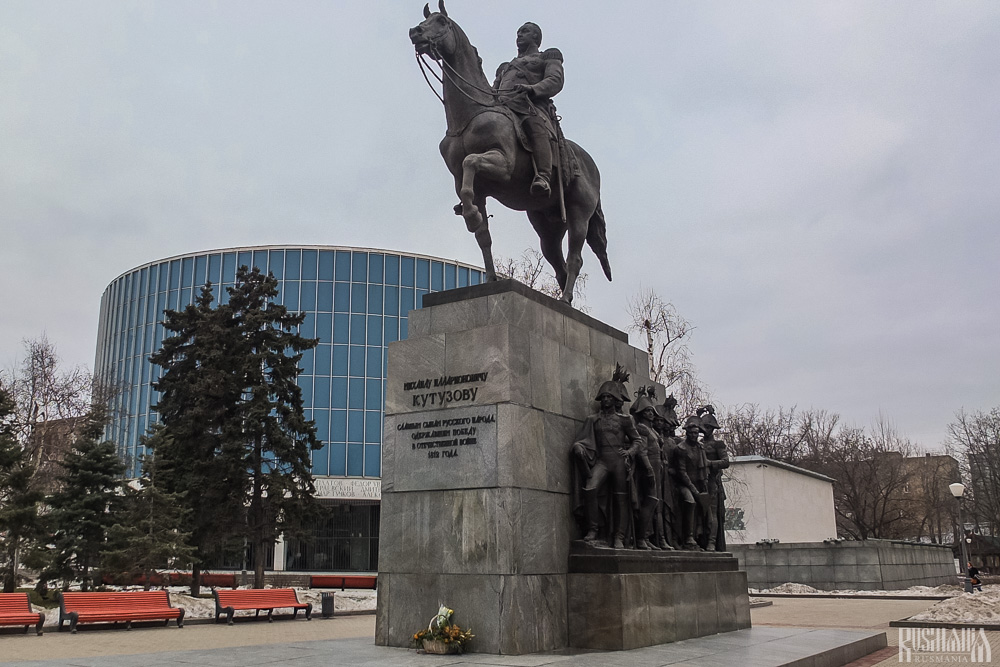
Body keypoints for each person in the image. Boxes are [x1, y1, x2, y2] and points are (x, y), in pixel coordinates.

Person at [493, 22, 563, 198]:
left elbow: (555, 80)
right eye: (518, 32)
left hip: (530, 105)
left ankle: (544, 176)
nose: (519, 35)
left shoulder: (546, 56)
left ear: (536, 37)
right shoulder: (505, 67)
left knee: (534, 126)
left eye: (525, 31)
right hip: (503, 106)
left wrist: (533, 89)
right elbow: (494, 90)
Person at [571, 378, 643, 549]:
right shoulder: (593, 419)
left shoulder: (625, 420)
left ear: (615, 399)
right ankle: (593, 529)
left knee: (621, 499)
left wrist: (629, 452)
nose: (605, 400)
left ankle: (619, 535)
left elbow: (637, 441)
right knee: (590, 489)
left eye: (609, 397)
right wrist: (577, 447)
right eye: (603, 397)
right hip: (602, 460)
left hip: (619, 461)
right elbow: (583, 439)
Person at [699, 405, 729, 552]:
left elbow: (725, 462)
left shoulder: (718, 444)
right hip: (699, 481)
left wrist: (710, 464)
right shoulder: (698, 444)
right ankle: (702, 540)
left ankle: (712, 542)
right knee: (701, 514)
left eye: (707, 427)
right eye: (703, 427)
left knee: (712, 513)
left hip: (712, 481)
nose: (705, 430)